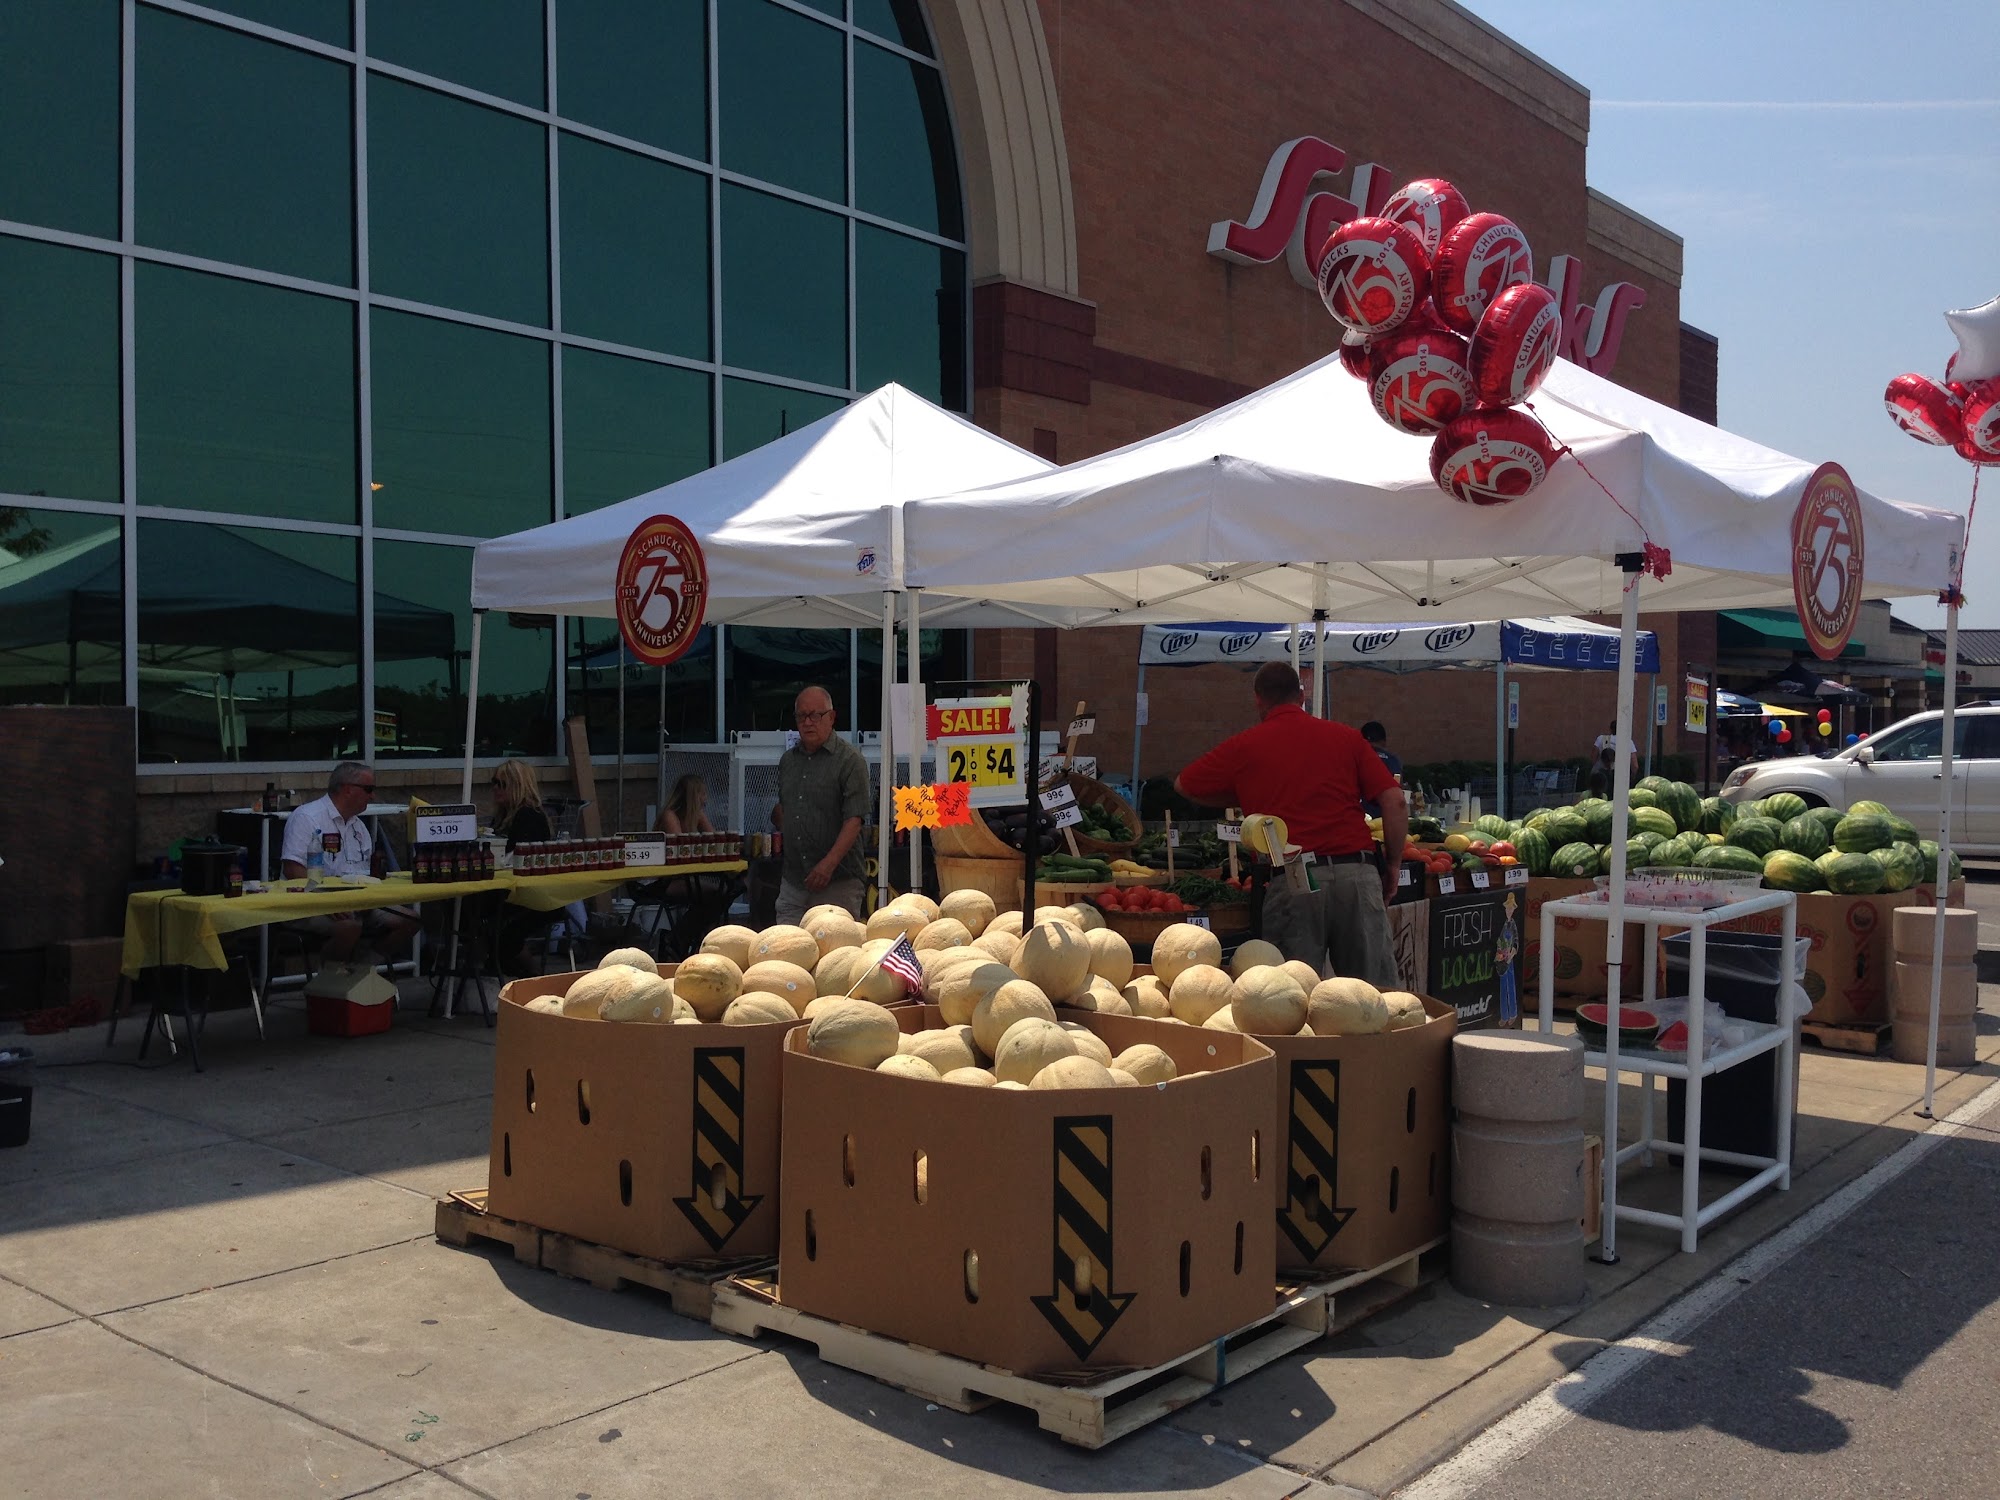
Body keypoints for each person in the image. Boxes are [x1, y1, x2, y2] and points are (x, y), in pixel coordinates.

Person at [1173, 662, 1405, 988]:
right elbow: (1395, 801)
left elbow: (1184, 784)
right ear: (1301, 695)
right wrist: (1393, 865)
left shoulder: (1245, 745)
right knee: (1375, 994)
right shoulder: (1347, 738)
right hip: (1356, 871)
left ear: (1258, 699)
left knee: (1292, 997)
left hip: (1296, 876)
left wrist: (1244, 794)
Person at [279, 761, 417, 963]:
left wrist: (371, 898)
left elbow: (365, 874)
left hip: (356, 902)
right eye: (369, 789)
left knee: (411, 920)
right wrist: (327, 902)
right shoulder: (306, 817)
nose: (373, 796)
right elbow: (293, 870)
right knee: (349, 927)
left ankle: (364, 968)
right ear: (347, 789)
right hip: (311, 903)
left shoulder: (359, 827)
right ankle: (330, 977)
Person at [771, 684, 869, 924]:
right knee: (785, 944)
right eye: (801, 716)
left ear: (832, 717)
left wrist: (828, 865)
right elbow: (784, 809)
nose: (808, 722)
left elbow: (854, 820)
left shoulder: (850, 760)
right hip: (794, 881)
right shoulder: (788, 761)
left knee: (836, 946)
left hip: (838, 882)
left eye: (816, 715)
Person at [490, 759, 552, 976]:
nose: (495, 788)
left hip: (529, 895)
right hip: (508, 890)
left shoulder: (528, 816)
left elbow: (515, 857)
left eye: (502, 784)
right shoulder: (503, 817)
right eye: (493, 782)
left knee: (491, 924)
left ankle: (532, 973)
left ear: (517, 785)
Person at [1360, 721, 1401, 818]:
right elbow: (1398, 790)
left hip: (1360, 816)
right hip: (1387, 817)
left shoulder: (1356, 758)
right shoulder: (1393, 761)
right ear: (1384, 741)